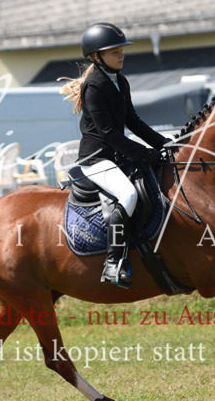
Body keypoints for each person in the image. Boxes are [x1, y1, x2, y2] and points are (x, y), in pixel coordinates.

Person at [60, 22, 170, 289]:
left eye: (121, 50)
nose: (121, 55)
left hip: (117, 157)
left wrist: (165, 143)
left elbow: (133, 121)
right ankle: (113, 264)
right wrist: (144, 153)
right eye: (114, 52)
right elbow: (108, 133)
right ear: (97, 57)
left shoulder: (120, 81)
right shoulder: (94, 86)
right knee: (128, 195)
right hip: (96, 159)